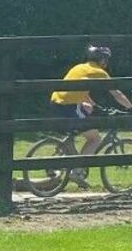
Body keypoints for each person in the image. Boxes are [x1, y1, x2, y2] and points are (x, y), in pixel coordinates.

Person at [49, 43, 132, 181]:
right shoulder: (100, 72)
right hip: (69, 106)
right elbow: (116, 94)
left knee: (86, 115)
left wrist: (92, 104)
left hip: (56, 102)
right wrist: (130, 107)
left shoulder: (80, 67)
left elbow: (80, 88)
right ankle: (76, 172)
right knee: (95, 138)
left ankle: (68, 149)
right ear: (103, 60)